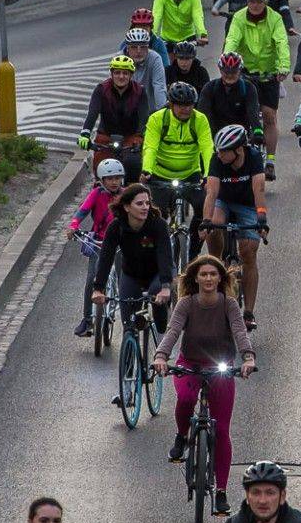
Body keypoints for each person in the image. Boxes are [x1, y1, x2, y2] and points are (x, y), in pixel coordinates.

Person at [153, 255, 257, 495]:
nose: (208, 278)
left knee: (221, 431)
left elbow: (240, 331)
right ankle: (181, 436)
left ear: (220, 278)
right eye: (204, 274)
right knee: (187, 399)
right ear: (195, 278)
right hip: (189, 364)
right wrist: (161, 356)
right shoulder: (187, 303)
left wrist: (248, 357)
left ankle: (221, 491)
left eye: (213, 274)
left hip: (220, 366)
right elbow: (173, 330)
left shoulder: (229, 304)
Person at [200, 125, 270, 330]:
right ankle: (217, 263)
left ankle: (248, 312)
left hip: (247, 204)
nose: (219, 154)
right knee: (215, 225)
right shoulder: (217, 160)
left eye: (224, 151)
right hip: (224, 201)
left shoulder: (254, 157)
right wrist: (206, 221)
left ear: (238, 150)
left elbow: (259, 189)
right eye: (218, 150)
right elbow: (211, 193)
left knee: (248, 252)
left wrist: (261, 219)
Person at [92, 184, 174, 353]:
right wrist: (98, 289)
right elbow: (106, 257)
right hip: (131, 274)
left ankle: (162, 344)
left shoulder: (157, 225)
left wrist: (166, 286)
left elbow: (164, 255)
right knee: (128, 321)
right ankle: (129, 357)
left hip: (158, 273)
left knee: (156, 293)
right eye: (139, 204)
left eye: (147, 203)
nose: (145, 207)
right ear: (127, 207)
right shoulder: (116, 227)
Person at [224, 0, 292, 180]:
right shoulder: (238, 17)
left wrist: (283, 66)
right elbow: (232, 40)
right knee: (240, 115)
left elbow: (281, 43)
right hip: (245, 72)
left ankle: (270, 160)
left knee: (269, 115)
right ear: (247, 1)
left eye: (259, 1)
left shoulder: (275, 18)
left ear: (265, 2)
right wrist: (230, 61)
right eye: (251, 1)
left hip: (268, 74)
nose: (255, 5)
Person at [67, 159, 127, 336]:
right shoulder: (96, 194)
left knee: (125, 279)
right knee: (92, 279)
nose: (114, 182)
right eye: (109, 178)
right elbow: (82, 211)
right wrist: (73, 225)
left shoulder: (126, 195)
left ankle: (127, 318)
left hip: (122, 243)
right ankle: (87, 320)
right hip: (100, 242)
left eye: (117, 178)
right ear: (102, 180)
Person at [142, 82, 216, 219]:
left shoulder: (200, 119)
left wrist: (208, 174)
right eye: (181, 105)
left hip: (190, 174)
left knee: (203, 209)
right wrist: (147, 170)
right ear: (171, 105)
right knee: (156, 215)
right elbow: (150, 147)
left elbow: (207, 148)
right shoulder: (157, 119)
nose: (186, 109)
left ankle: (194, 240)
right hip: (161, 175)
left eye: (189, 105)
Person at [78, 55, 150, 181]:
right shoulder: (101, 89)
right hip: (106, 135)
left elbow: (144, 119)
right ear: (111, 74)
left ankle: (131, 193)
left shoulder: (140, 91)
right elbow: (92, 113)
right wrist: (85, 134)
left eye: (125, 73)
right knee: (100, 168)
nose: (121, 76)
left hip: (131, 137)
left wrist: (140, 137)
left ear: (131, 75)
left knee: (133, 165)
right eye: (117, 73)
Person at [122, 27, 168, 113]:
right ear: (127, 48)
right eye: (134, 47)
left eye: (143, 47)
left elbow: (159, 86)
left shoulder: (155, 58)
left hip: (150, 111)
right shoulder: (119, 59)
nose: (138, 51)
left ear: (148, 47)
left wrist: (162, 113)